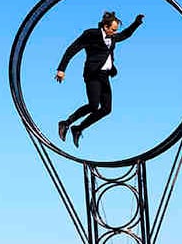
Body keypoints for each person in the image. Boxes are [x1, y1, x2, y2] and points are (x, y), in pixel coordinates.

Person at [55, 10, 144, 147]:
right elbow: (72, 49)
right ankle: (66, 123)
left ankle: (78, 129)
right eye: (113, 30)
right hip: (93, 75)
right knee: (93, 105)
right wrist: (61, 69)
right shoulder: (91, 34)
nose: (115, 33)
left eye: (116, 30)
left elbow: (125, 34)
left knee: (106, 109)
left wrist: (136, 23)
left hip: (105, 76)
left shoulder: (113, 37)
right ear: (105, 27)